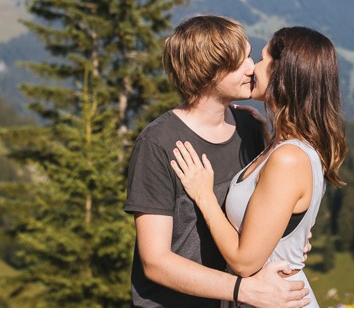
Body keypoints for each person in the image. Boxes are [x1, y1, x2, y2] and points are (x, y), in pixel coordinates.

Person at [125, 15, 311, 308]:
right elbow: (155, 261)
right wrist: (243, 290)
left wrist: (289, 238)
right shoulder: (158, 144)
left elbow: (258, 214)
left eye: (250, 55)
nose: (252, 68)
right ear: (208, 74)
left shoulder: (250, 127)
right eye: (240, 62)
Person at [171, 26, 347, 308]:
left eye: (264, 60)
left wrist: (203, 195)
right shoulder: (282, 146)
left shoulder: (288, 159)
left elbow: (243, 261)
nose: (254, 67)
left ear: (283, 75)